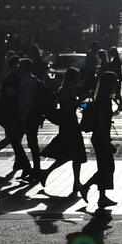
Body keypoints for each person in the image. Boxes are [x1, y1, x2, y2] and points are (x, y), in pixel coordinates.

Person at [38, 67, 87, 196]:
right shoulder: (66, 90)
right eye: (77, 77)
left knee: (71, 155)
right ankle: (74, 182)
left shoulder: (65, 89)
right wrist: (81, 100)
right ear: (73, 78)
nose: (78, 80)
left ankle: (74, 181)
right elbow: (70, 107)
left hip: (69, 123)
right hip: (69, 124)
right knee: (73, 154)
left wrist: (83, 103)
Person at [79, 71, 118, 208]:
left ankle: (102, 197)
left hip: (99, 137)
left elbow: (83, 107)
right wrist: (107, 142)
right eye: (115, 82)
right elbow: (102, 122)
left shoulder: (99, 97)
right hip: (101, 138)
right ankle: (86, 187)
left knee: (104, 167)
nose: (116, 84)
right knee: (107, 167)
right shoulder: (104, 101)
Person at [107, 48, 122, 113]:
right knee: (117, 93)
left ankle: (120, 105)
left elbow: (115, 68)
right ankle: (120, 105)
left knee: (117, 93)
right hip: (117, 78)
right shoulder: (116, 59)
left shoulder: (116, 60)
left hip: (117, 78)